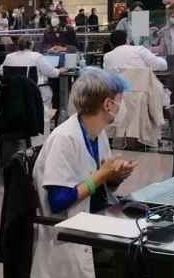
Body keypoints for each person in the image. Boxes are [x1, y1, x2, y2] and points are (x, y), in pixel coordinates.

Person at [34, 67, 137, 220]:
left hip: (95, 217)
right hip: (67, 234)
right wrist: (101, 175)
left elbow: (100, 189)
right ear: (108, 105)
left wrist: (114, 177)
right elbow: (57, 202)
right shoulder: (64, 138)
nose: (122, 107)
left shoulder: (98, 133)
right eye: (120, 101)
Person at [0, 37, 61, 104]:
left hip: (12, 93)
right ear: (31, 45)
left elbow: (0, 71)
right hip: (33, 93)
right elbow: (52, 73)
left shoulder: (9, 57)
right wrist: (60, 70)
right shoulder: (37, 56)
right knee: (48, 91)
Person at [103, 30, 167, 73]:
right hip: (142, 91)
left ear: (111, 44)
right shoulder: (139, 50)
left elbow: (108, 77)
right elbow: (162, 65)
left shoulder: (107, 57)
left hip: (120, 92)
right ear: (127, 40)